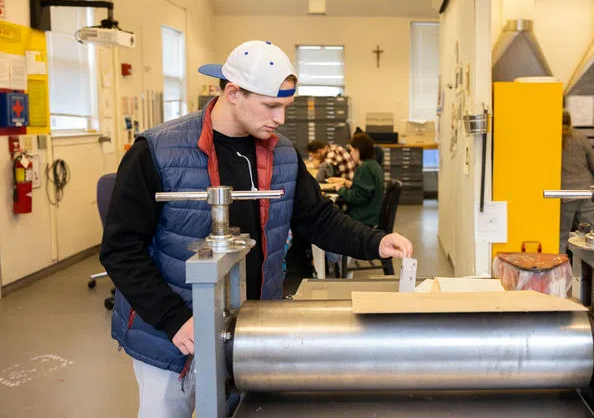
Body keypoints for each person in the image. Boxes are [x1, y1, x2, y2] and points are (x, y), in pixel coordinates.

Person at [100, 40, 413, 418]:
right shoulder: (157, 150)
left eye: (285, 106)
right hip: (171, 337)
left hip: (250, 330)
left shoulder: (280, 153)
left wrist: (376, 242)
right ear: (233, 92)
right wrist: (174, 320)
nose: (280, 119)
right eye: (271, 106)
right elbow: (121, 249)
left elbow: (318, 218)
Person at [329, 133, 394, 275]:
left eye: (351, 150)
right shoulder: (374, 165)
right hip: (371, 214)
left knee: (330, 223)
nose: (350, 154)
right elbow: (366, 189)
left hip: (364, 217)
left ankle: (337, 262)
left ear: (358, 150)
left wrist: (340, 189)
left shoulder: (364, 168)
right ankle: (338, 262)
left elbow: (357, 197)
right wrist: (347, 183)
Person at [559, 110, 594, 253]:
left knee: (562, 236)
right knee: (591, 235)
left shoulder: (549, 138)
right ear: (570, 121)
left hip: (563, 194)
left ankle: (562, 271)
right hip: (586, 192)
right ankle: (590, 270)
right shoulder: (580, 137)